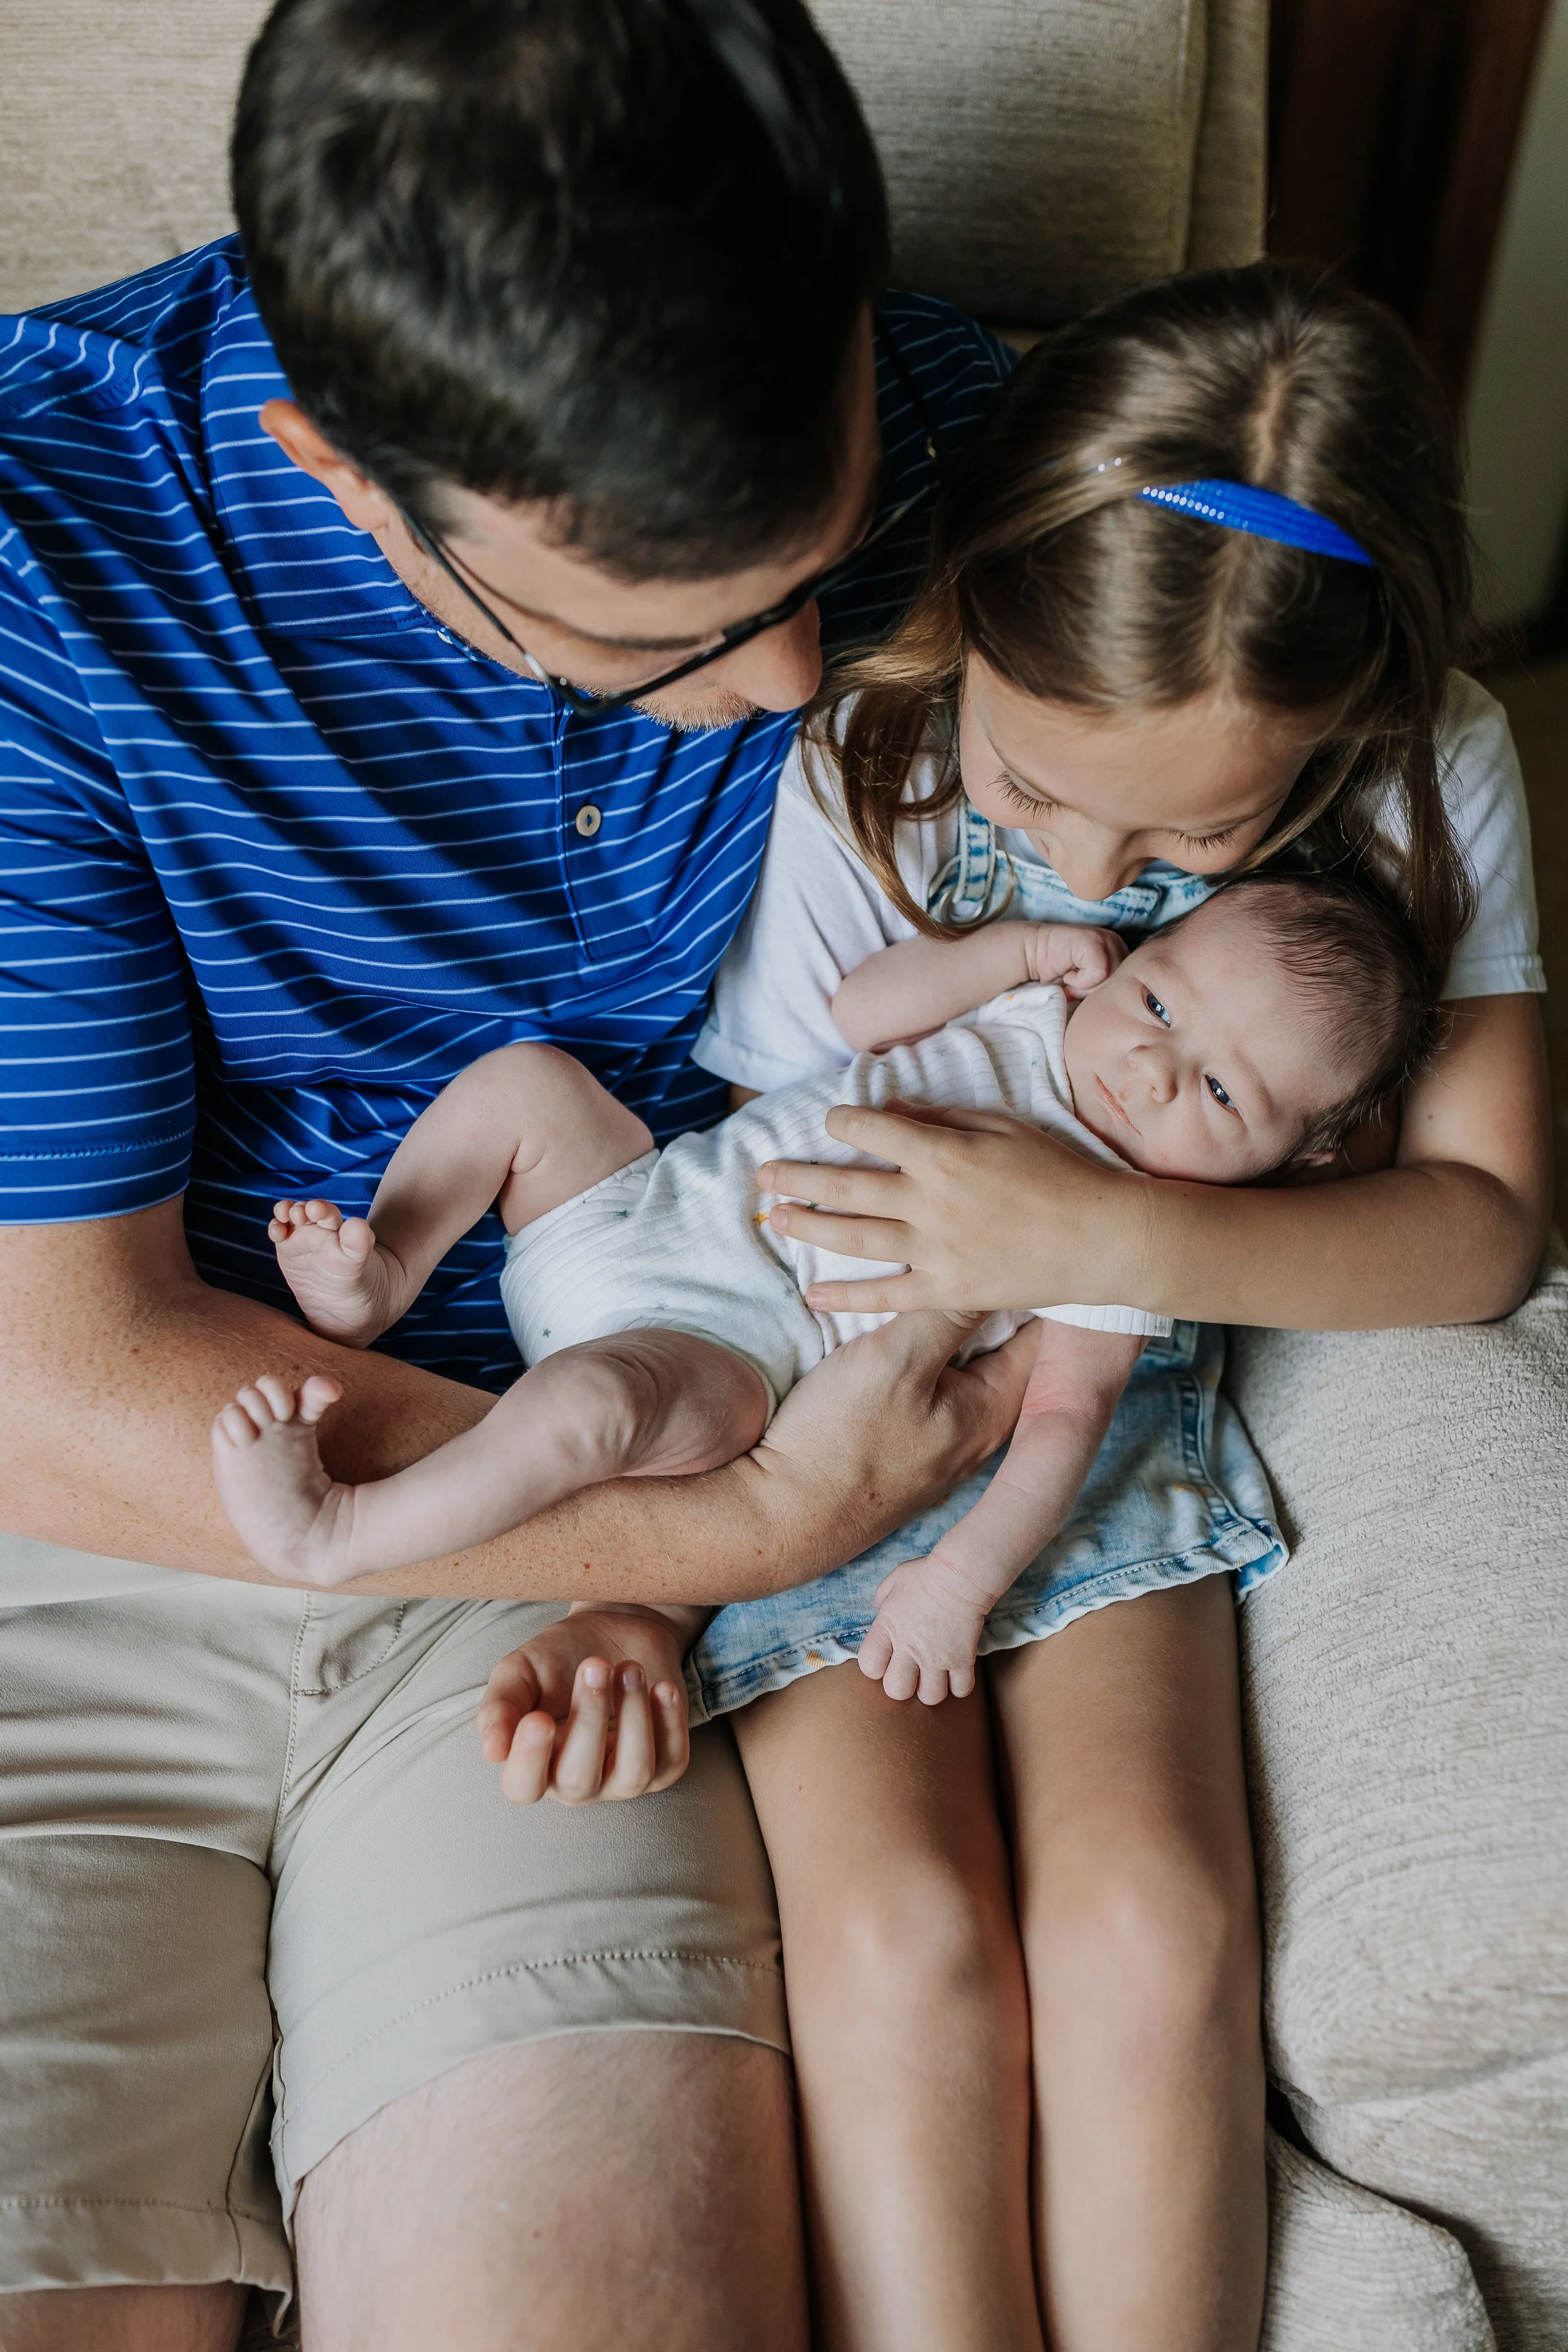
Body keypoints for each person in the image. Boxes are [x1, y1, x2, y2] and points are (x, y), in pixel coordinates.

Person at [0, 3, 1025, 2346]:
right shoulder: (31, 563)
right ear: (350, 481)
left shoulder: (981, 434)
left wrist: (660, 1584)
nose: (785, 686)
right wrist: (748, 1533)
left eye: (821, 565)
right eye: (668, 634)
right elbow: (57, 1377)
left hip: (553, 1620)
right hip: (85, 1558)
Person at [657, 265, 1545, 2352]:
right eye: (1037, 793)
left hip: (1113, 1415)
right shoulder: (872, 746)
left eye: (1195, 834)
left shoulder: (1437, 769)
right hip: (839, 1400)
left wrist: (1091, 1235)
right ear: (974, 608)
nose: (1085, 860)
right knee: (905, 1937)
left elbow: (1488, 1228)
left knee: (1152, 1926)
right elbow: (776, 1126)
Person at [210, 876, 1434, 1702]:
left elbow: (1059, 1424)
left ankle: (340, 1536)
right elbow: (857, 1009)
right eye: (1159, 1001)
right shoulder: (1028, 1009)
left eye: (1222, 1094)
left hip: (721, 1352)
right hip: (646, 1204)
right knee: (527, 1085)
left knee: (591, 1410)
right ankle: (384, 1277)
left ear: (1296, 1161)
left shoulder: (1126, 1241)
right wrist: (999, 955)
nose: (1151, 1067)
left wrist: (962, 1575)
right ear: (1133, 952)